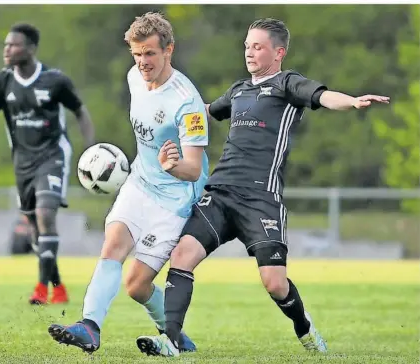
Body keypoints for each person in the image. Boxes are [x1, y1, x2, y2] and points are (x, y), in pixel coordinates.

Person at [136, 18, 390, 357]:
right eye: (246, 46)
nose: (249, 52)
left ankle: (304, 327)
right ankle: (170, 340)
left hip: (260, 199)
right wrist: (165, 117)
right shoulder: (239, 90)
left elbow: (323, 96)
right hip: (220, 192)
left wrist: (352, 101)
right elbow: (203, 112)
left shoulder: (288, 84)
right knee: (182, 256)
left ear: (278, 52)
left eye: (257, 46)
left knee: (274, 283)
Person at [48, 12, 209, 354]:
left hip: (174, 198)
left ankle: (175, 335)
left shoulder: (187, 102)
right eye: (137, 54)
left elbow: (194, 170)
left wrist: (171, 167)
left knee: (136, 285)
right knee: (113, 244)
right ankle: (89, 327)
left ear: (169, 50)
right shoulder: (134, 77)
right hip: (139, 183)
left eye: (150, 53)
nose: (142, 62)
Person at [0, 23, 95, 305]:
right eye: (5, 45)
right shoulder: (3, 81)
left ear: (30, 49)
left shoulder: (55, 80)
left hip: (52, 156)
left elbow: (81, 111)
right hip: (22, 162)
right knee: (36, 229)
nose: (7, 49)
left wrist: (91, 148)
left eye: (13, 45)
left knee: (45, 213)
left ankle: (41, 288)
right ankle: (59, 287)